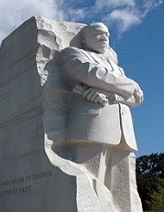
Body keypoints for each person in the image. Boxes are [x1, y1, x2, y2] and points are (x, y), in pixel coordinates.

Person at [60, 22, 143, 211]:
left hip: (123, 130)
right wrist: (130, 85)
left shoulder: (117, 69)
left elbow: (137, 98)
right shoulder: (73, 54)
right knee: (90, 182)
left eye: (107, 34)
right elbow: (93, 74)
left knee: (125, 192)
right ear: (83, 38)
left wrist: (113, 93)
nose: (104, 38)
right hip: (94, 125)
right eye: (97, 34)